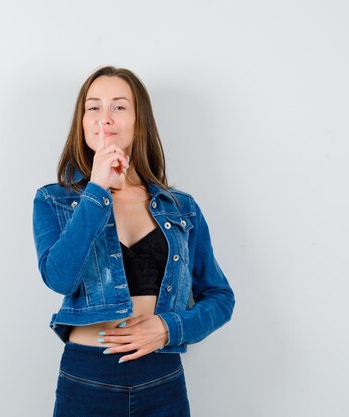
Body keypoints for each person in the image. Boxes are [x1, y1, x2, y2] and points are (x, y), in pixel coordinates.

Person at [31, 66, 235, 417]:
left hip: (162, 378)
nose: (104, 118)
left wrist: (169, 328)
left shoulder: (181, 207)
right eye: (93, 107)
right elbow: (60, 278)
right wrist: (96, 188)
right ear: (82, 121)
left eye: (119, 107)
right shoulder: (54, 200)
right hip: (87, 378)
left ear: (139, 121)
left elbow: (220, 298)